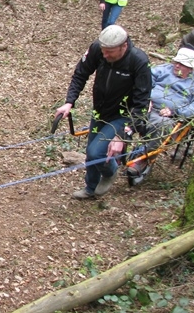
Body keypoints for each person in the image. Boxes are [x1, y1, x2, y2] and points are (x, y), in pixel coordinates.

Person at [55, 25, 152, 199]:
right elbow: (80, 74)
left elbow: (141, 104)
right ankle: (91, 188)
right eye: (103, 51)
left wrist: (122, 135)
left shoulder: (138, 62)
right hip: (100, 111)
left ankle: (110, 172)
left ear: (123, 46)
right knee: (91, 151)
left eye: (110, 52)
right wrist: (69, 102)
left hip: (122, 115)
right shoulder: (97, 49)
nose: (105, 55)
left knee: (96, 152)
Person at [126, 47, 194, 176]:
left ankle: (144, 157)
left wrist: (176, 111)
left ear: (190, 68)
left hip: (168, 117)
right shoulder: (162, 70)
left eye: (181, 64)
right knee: (127, 113)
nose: (177, 65)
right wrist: (145, 99)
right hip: (148, 107)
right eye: (176, 62)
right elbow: (145, 82)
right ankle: (116, 148)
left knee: (163, 125)